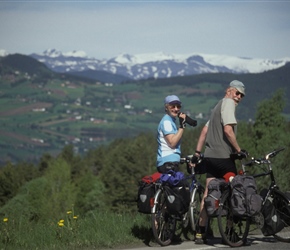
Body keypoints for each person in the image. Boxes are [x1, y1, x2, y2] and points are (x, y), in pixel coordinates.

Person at [193, 80, 248, 244]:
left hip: (210, 157)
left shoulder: (217, 107)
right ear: (229, 91)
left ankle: (200, 231)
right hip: (224, 158)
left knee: (208, 192)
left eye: (241, 95)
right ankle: (230, 231)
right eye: (237, 93)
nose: (239, 97)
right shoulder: (229, 104)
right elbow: (228, 130)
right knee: (234, 190)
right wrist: (238, 150)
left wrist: (197, 152)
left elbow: (204, 130)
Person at [156, 95, 187, 174]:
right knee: (182, 185)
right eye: (172, 106)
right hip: (167, 162)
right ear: (166, 107)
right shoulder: (167, 122)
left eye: (178, 106)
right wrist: (182, 126)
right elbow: (172, 143)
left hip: (171, 162)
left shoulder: (171, 121)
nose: (176, 109)